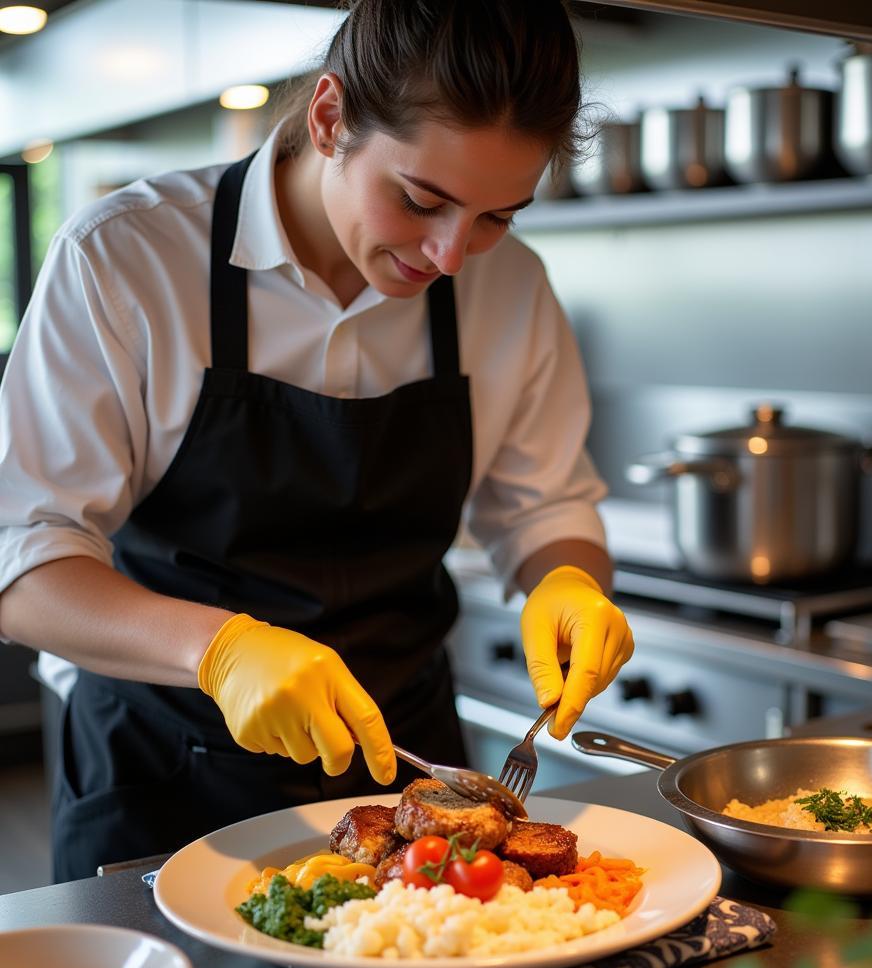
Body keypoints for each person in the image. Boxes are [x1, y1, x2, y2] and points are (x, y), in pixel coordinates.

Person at [0, 0, 634, 883]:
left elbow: (546, 508)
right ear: (330, 118)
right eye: (422, 199)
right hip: (164, 777)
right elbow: (23, 566)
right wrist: (216, 651)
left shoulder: (513, 292)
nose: (451, 257)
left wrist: (567, 577)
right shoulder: (127, 259)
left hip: (414, 786)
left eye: (498, 217)